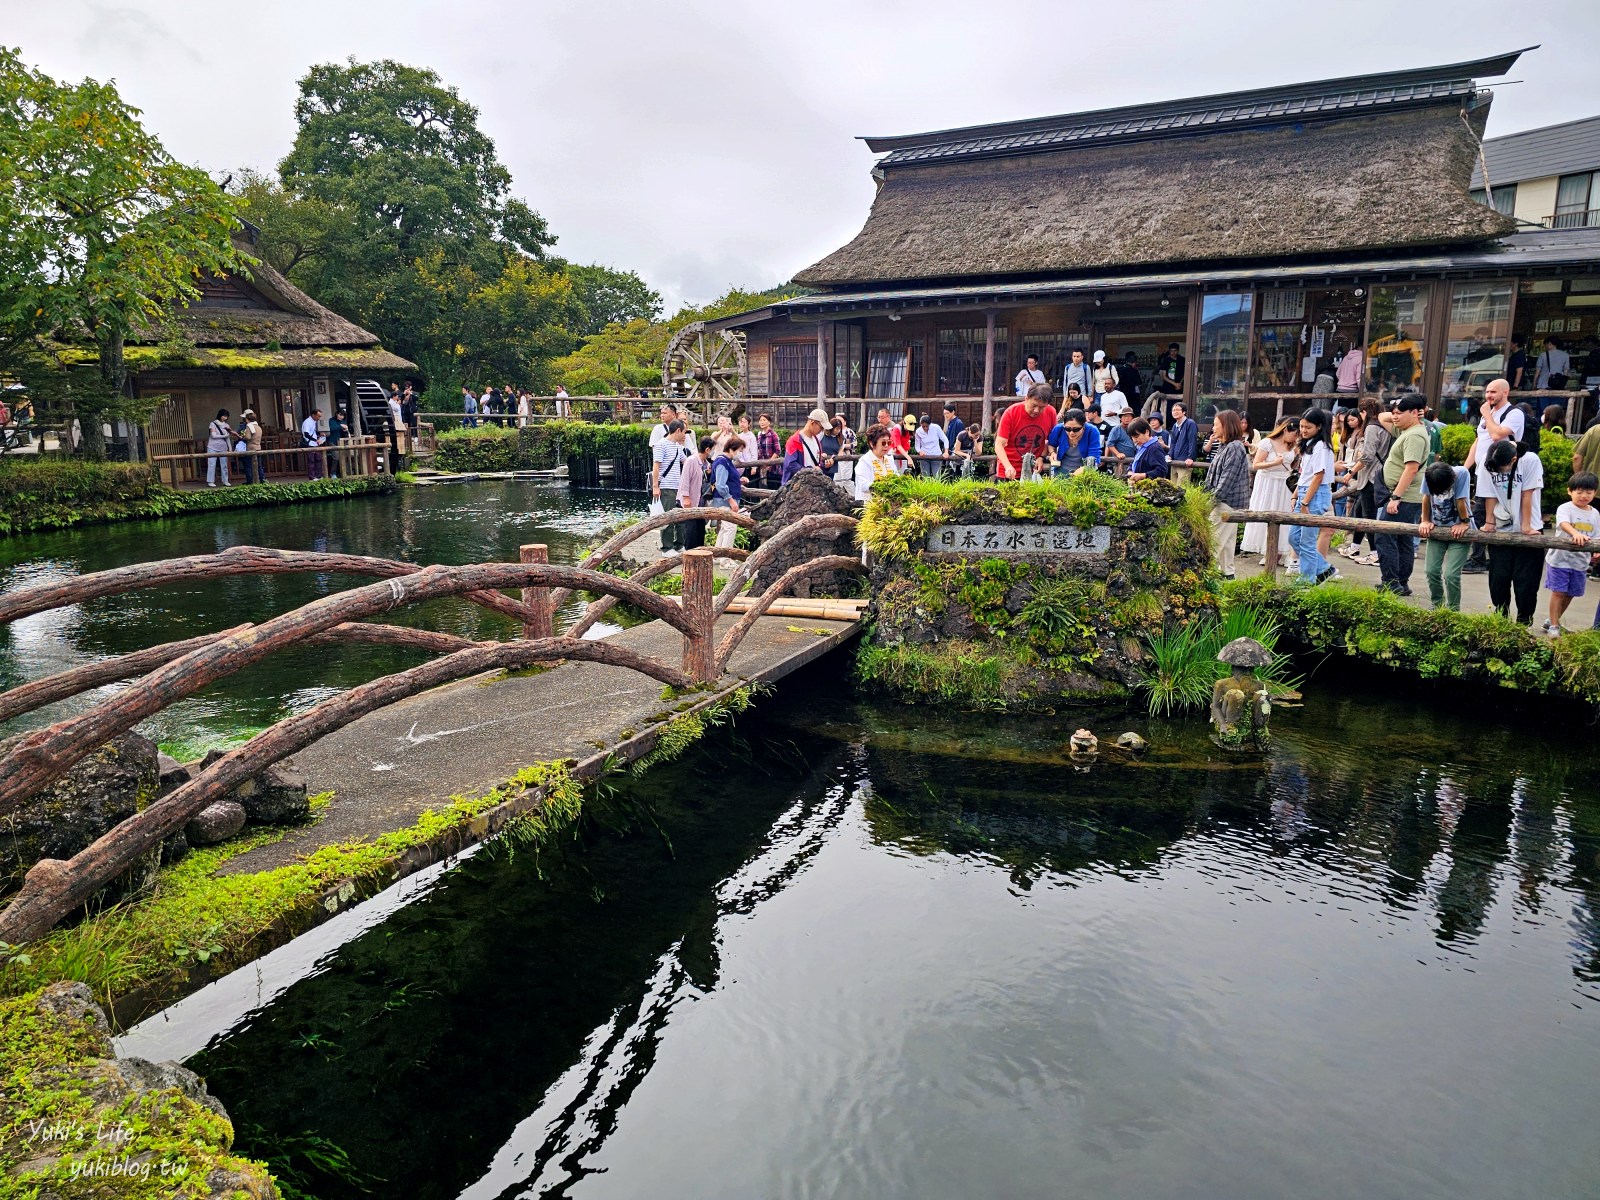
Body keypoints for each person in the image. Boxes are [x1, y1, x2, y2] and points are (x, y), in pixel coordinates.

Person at [1369, 396, 1430, 595]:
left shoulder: (1414, 435)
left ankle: (1392, 581)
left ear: (1414, 414)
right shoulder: (1407, 430)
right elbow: (1382, 416)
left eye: (1399, 413)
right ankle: (1400, 582)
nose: (1394, 417)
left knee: (1385, 536)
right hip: (1404, 496)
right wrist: (1401, 409)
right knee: (1402, 539)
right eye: (1394, 413)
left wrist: (1396, 497)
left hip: (1403, 497)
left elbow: (1411, 469)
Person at [1483, 436, 1544, 624]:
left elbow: (1527, 494)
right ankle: (1501, 620)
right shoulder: (1489, 460)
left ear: (1514, 460)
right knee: (1498, 580)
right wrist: (1489, 523)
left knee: (1526, 582)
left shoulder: (1530, 459)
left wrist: (1526, 526)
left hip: (1529, 527)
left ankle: (1524, 622)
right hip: (1502, 530)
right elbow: (1489, 494)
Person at [1544, 471, 1597, 636]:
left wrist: (1596, 551)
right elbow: (1564, 523)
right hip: (1560, 559)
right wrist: (1576, 534)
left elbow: (1597, 535)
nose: (1584, 496)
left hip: (1580, 562)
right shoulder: (1565, 508)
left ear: (1595, 493)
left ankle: (1553, 620)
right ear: (1570, 491)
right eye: (1579, 492)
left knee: (1571, 593)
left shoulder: (1595, 513)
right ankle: (1554, 626)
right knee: (1558, 592)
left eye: (1589, 492)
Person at [1241, 418, 1298, 567]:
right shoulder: (1267, 442)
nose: (1296, 437)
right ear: (1285, 430)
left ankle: (1284, 551)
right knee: (1266, 513)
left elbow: (1293, 464)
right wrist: (1274, 463)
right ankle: (1269, 551)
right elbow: (1256, 464)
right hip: (1267, 482)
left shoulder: (1293, 445)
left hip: (1284, 483)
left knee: (1285, 515)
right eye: (1294, 434)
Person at [1203, 409, 1252, 579]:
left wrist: (1211, 501)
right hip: (1227, 501)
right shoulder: (1225, 446)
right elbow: (1214, 476)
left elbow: (1227, 479)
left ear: (1226, 426)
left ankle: (1204, 576)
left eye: (1216, 425)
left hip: (1226, 502)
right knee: (1227, 543)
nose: (1213, 428)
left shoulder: (1235, 447)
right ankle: (1228, 576)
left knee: (1213, 541)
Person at [1289, 408, 1336, 584]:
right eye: (1301, 426)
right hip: (1304, 491)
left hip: (1315, 494)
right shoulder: (1309, 444)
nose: (1303, 430)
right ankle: (1323, 568)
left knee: (1306, 540)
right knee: (1294, 537)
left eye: (1308, 427)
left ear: (1318, 427)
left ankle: (1307, 581)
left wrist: (1305, 501)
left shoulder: (1321, 447)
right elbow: (1305, 475)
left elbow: (1318, 475)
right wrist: (1296, 495)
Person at [1419, 461, 1474, 610]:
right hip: (1437, 529)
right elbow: (1426, 497)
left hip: (1459, 532)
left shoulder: (1461, 473)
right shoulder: (1430, 474)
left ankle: (1453, 610)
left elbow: (1460, 500)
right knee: (1431, 571)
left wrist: (1464, 523)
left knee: (1451, 575)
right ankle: (1437, 604)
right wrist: (1425, 520)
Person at [993, 383, 1056, 479]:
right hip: (1009, 470)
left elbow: (1050, 440)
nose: (1036, 410)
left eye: (1042, 407)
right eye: (1033, 405)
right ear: (1026, 398)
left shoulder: (1051, 412)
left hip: (1034, 470)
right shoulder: (1011, 413)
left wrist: (1041, 457)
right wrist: (1008, 466)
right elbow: (999, 444)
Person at [652, 420, 690, 554]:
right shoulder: (661, 445)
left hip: (678, 486)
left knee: (680, 518)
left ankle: (679, 544)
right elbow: (656, 466)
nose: (685, 434)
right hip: (666, 486)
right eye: (684, 431)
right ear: (678, 430)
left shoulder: (678, 446)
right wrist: (655, 487)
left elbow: (685, 461)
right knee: (667, 518)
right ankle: (666, 548)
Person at [677, 437, 713, 550]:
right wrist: (686, 498)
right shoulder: (691, 460)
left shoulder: (706, 464)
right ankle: (689, 555)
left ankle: (699, 554)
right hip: (691, 500)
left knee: (700, 530)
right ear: (707, 449)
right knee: (690, 530)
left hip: (701, 502)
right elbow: (685, 480)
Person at [710, 435, 745, 547]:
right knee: (730, 528)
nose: (740, 453)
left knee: (726, 528)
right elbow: (720, 485)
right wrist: (731, 500)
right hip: (724, 501)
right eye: (739, 450)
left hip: (725, 500)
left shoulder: (727, 461)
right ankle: (725, 559)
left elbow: (726, 480)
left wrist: (739, 481)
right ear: (731, 449)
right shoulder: (722, 462)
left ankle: (718, 554)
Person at [782, 408, 832, 485]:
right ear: (812, 422)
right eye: (821, 427)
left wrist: (825, 466)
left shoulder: (817, 440)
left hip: (811, 487)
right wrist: (811, 471)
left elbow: (816, 465)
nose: (822, 430)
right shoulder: (794, 441)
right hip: (794, 487)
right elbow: (790, 464)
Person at [854, 423, 901, 502]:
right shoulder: (864, 462)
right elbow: (863, 485)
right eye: (883, 443)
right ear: (872, 444)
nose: (886, 446)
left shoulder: (889, 460)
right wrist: (881, 485)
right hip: (869, 506)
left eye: (889, 442)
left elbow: (896, 477)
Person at [1047, 407, 1101, 476]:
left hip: (1083, 473)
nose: (1071, 433)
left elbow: (1094, 457)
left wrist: (1084, 469)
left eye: (1076, 429)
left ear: (1084, 425)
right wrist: (1052, 453)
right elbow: (1051, 444)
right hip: (1060, 470)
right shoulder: (1059, 429)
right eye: (1067, 429)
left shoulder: (1092, 431)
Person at [205, 409, 234, 487]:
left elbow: (228, 438)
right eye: (224, 416)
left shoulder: (227, 425)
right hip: (212, 447)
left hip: (223, 447)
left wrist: (230, 448)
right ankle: (210, 481)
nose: (225, 418)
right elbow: (213, 436)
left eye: (226, 417)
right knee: (212, 464)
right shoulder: (213, 424)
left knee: (224, 465)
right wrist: (224, 436)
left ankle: (225, 480)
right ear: (220, 415)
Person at [236, 408, 263, 484]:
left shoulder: (249, 427)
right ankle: (262, 479)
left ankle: (250, 481)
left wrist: (241, 437)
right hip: (258, 447)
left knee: (248, 466)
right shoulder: (258, 427)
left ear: (247, 419)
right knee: (259, 465)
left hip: (250, 448)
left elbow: (248, 437)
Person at [1167, 401, 1198, 468]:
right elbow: (1173, 442)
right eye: (1173, 410)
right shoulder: (1175, 426)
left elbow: (1192, 441)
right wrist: (1170, 455)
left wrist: (1190, 457)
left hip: (1185, 462)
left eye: (1178, 410)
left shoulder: (1190, 423)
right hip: (1174, 461)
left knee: (1183, 479)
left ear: (1184, 412)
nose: (1175, 412)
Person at [756, 413, 782, 487]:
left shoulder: (773, 434)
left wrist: (769, 463)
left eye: (764, 420)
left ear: (769, 422)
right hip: (762, 466)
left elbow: (778, 451)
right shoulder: (759, 434)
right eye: (760, 420)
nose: (762, 422)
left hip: (773, 466)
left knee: (773, 487)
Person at [299, 408, 324, 480]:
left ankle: (318, 475)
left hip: (315, 443)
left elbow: (313, 432)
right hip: (310, 443)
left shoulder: (313, 422)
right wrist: (315, 440)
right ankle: (312, 477)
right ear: (313, 415)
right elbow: (306, 434)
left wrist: (320, 434)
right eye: (318, 416)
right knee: (311, 461)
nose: (319, 418)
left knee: (318, 459)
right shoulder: (307, 422)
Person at [819, 416, 844, 481]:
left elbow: (842, 446)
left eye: (839, 429)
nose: (838, 431)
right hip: (822, 463)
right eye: (836, 429)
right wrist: (820, 453)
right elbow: (816, 444)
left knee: (829, 482)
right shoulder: (822, 435)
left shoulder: (841, 437)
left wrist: (841, 451)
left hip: (832, 464)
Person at [326, 408, 348, 478]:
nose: (341, 417)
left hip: (341, 441)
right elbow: (332, 428)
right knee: (336, 457)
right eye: (340, 415)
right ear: (336, 414)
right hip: (333, 441)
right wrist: (341, 426)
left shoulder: (344, 421)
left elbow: (345, 430)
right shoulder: (331, 420)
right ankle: (333, 473)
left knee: (343, 457)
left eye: (343, 415)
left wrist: (346, 430)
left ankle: (343, 472)